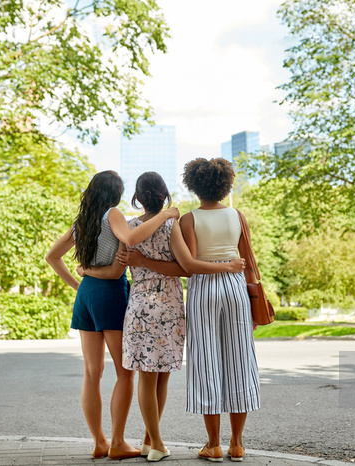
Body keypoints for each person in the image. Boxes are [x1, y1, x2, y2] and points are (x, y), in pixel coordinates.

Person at [80, 171, 245, 462]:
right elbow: (186, 268)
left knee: (146, 377)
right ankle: (153, 441)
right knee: (162, 379)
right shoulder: (172, 225)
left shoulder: (128, 228)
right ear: (164, 195)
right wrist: (227, 266)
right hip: (168, 306)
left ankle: (151, 441)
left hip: (140, 306)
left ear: (138, 198)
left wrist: (89, 271)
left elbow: (120, 268)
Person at [45, 170, 179, 460]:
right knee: (124, 372)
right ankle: (118, 442)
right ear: (116, 193)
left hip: (86, 297)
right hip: (109, 294)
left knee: (92, 374)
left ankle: (99, 442)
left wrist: (80, 282)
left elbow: (52, 256)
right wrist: (166, 214)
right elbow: (128, 241)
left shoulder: (82, 221)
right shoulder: (113, 214)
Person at [179, 157, 260, 462]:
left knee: (207, 362)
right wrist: (254, 306)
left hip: (203, 289)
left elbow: (190, 264)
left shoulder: (188, 220)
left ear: (195, 186)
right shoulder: (238, 216)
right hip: (236, 287)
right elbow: (249, 262)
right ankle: (237, 444)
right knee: (240, 362)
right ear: (225, 185)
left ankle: (212, 444)